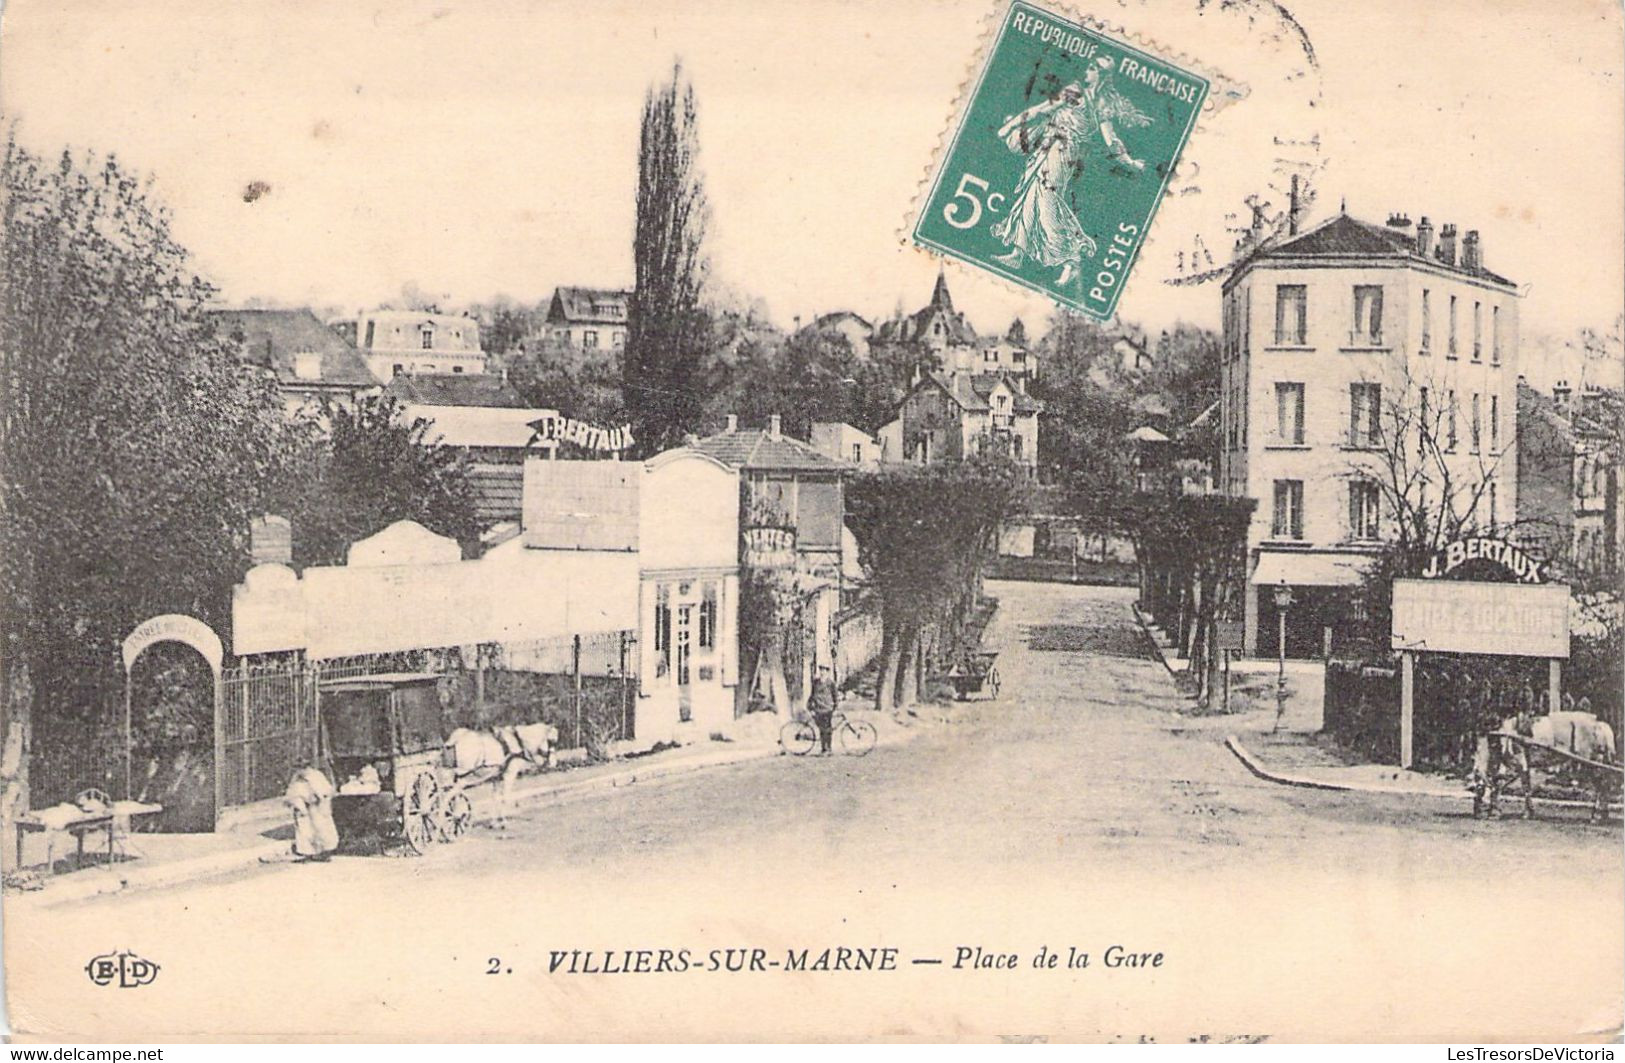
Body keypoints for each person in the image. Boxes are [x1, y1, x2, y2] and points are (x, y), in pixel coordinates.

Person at [990, 56, 1150, 287]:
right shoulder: (1075, 90)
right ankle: (1018, 253)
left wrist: (1129, 161)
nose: (1088, 70)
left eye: (1093, 68)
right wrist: (1011, 125)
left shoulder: (1101, 105)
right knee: (1032, 194)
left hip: (1064, 152)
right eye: (1089, 66)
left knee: (1046, 199)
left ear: (1102, 75)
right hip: (1048, 145)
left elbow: (1111, 139)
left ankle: (1072, 259)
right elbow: (1042, 109)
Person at [284, 765, 339, 861]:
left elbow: (325, 790)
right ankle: (309, 852)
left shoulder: (315, 776)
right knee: (305, 829)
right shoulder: (298, 778)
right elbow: (294, 793)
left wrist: (320, 797)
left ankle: (324, 851)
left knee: (321, 828)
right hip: (304, 806)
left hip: (317, 806)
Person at [809, 665, 838, 756]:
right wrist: (809, 706)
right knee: (822, 729)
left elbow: (835, 696)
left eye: (824, 670)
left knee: (827, 729)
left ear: (827, 672)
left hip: (828, 708)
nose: (822, 672)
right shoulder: (816, 682)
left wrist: (836, 707)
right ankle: (823, 749)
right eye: (821, 670)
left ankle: (828, 749)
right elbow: (812, 695)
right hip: (818, 708)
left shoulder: (831, 683)